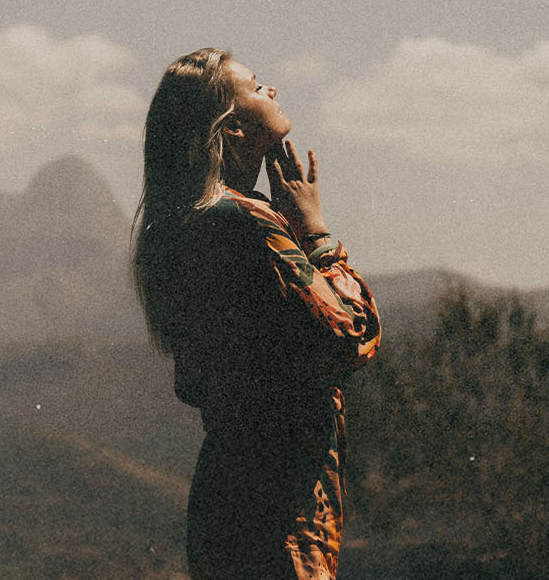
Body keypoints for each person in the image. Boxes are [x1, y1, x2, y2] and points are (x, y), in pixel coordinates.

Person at [133, 48, 381, 580]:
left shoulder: (187, 224)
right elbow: (353, 336)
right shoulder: (246, 224)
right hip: (279, 506)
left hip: (230, 496)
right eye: (254, 86)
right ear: (234, 128)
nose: (270, 89)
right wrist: (313, 231)